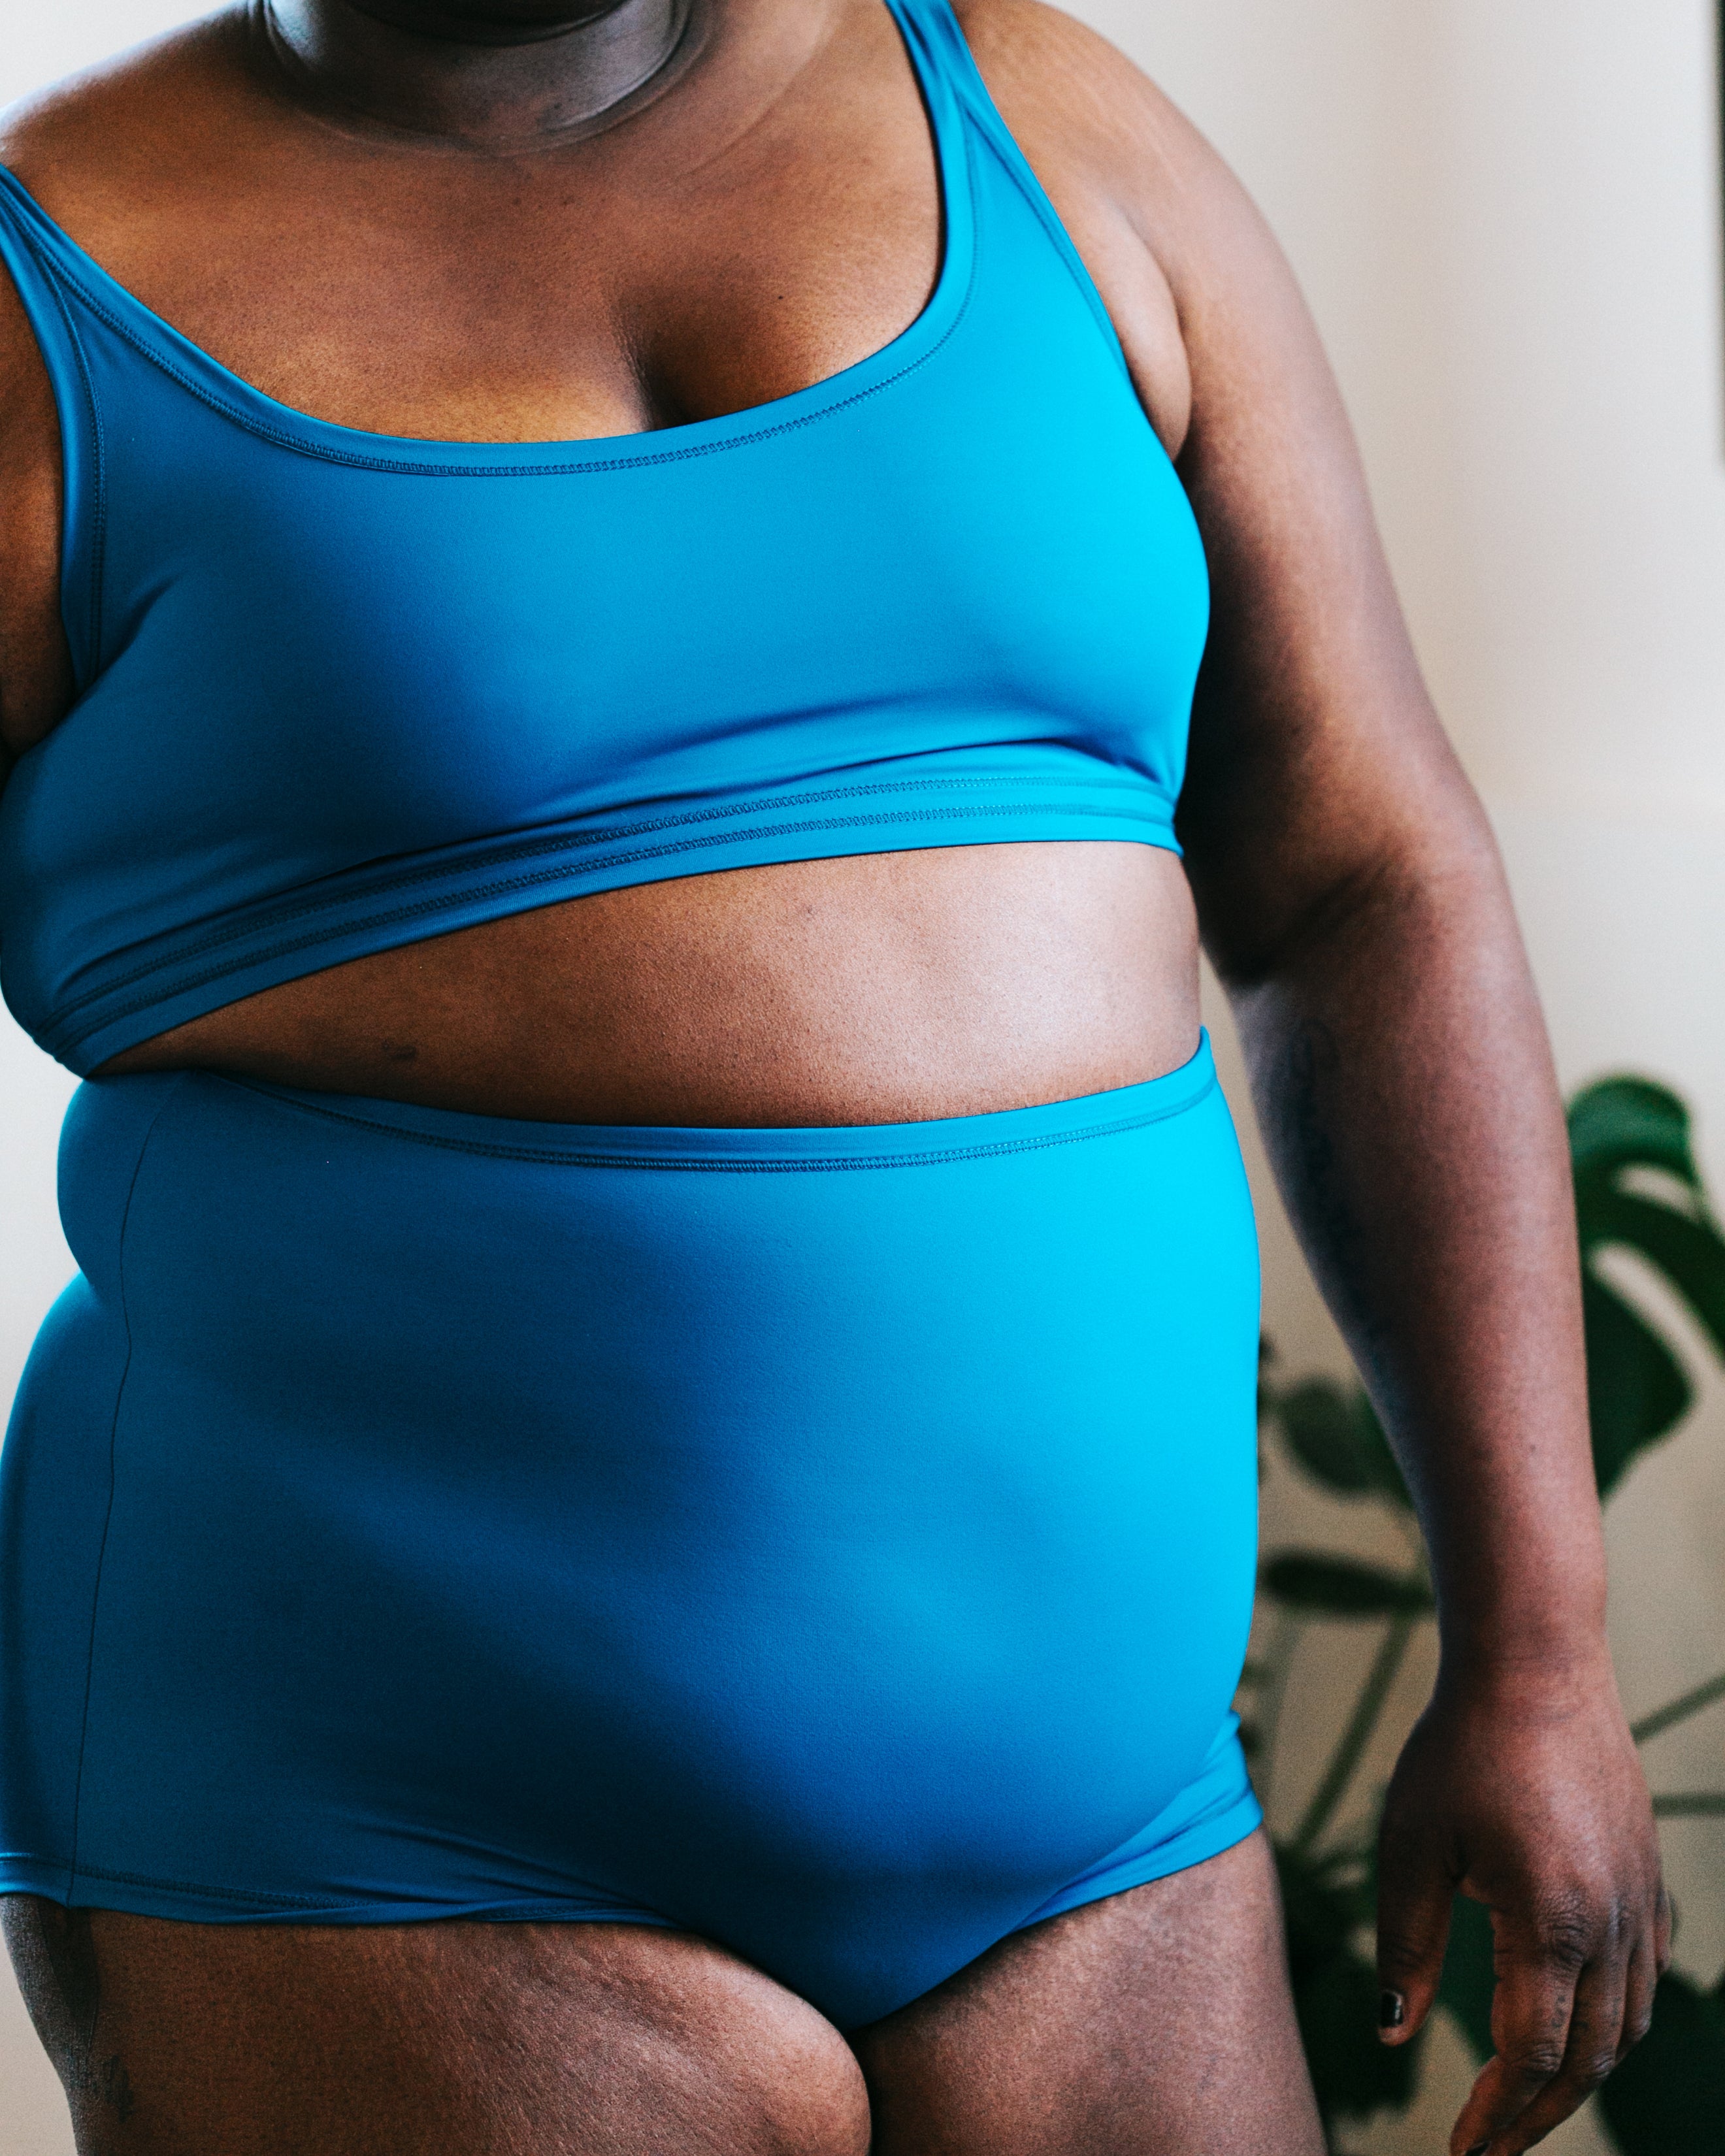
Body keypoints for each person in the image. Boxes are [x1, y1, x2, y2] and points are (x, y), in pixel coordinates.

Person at [0, 3, 1667, 2151]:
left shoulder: (1052, 133)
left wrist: (1538, 1642)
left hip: (1109, 1842)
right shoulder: (51, 290)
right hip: (379, 1842)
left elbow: (1369, 880)